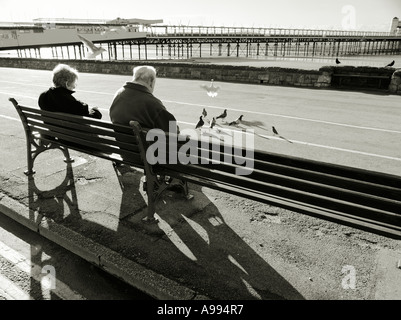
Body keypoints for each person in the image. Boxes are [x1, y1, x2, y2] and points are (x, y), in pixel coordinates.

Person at [109, 65, 177, 132]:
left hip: (121, 140)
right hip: (144, 142)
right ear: (151, 81)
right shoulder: (152, 103)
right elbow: (173, 129)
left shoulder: (118, 94)